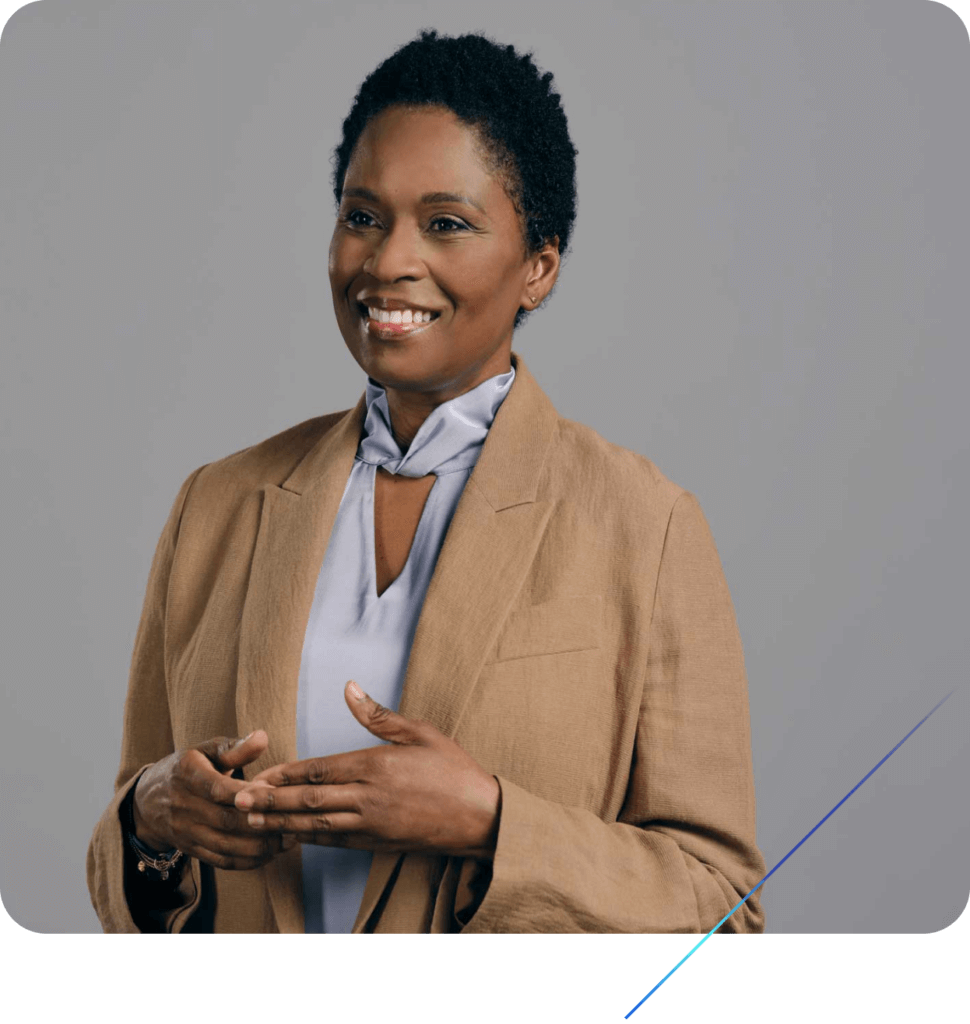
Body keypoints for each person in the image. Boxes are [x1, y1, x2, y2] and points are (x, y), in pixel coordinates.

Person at [87, 28, 767, 934]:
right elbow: (126, 849)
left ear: (538, 266)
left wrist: (491, 822)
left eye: (446, 223)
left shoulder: (646, 529)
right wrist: (150, 821)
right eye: (362, 215)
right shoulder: (215, 506)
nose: (386, 261)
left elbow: (722, 902)